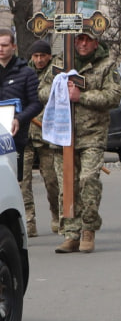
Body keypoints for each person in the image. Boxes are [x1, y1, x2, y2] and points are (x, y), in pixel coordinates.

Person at [39, 31, 121, 254]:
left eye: (88, 40)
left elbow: (114, 96)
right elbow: (42, 90)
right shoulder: (60, 62)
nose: (83, 44)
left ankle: (88, 228)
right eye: (79, 39)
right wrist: (59, 89)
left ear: (96, 43)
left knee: (87, 181)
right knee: (66, 185)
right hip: (62, 134)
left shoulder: (105, 65)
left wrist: (81, 96)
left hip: (91, 134)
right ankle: (71, 234)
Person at [21, 39, 59, 238]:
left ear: (49, 56)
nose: (38, 60)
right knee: (23, 181)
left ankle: (56, 214)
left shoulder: (55, 73)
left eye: (42, 56)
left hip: (46, 135)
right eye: (35, 56)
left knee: (52, 180)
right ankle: (28, 220)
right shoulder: (23, 73)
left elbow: (51, 96)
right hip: (25, 135)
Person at [0, 30, 43, 187]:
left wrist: (19, 118)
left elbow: (37, 103)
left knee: (13, 185)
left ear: (13, 46)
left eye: (4, 45)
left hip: (15, 138)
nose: (1, 49)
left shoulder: (26, 73)